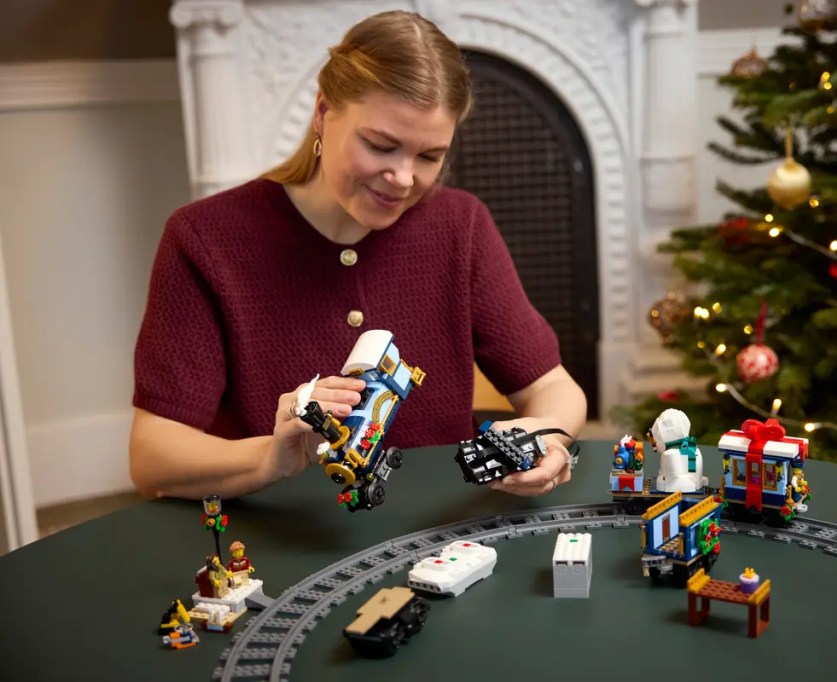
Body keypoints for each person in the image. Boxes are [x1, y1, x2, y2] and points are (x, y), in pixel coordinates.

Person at [129, 10, 587, 502]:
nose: (404, 178)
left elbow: (555, 387)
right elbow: (152, 456)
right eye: (381, 145)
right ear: (323, 112)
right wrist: (270, 456)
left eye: (429, 156)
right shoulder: (205, 237)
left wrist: (548, 438)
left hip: (440, 530)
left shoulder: (460, 224)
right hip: (278, 537)